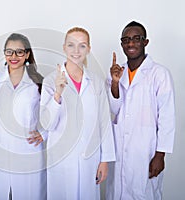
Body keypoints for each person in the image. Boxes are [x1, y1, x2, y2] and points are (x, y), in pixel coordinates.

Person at [40, 27, 116, 200]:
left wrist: (105, 160)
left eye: (82, 46)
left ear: (88, 49)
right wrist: (57, 94)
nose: (76, 51)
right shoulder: (51, 81)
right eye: (71, 45)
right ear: (64, 47)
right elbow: (47, 124)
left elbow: (104, 122)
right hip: (61, 160)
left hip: (90, 159)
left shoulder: (96, 82)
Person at [105, 21, 175, 200]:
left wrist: (160, 155)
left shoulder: (159, 74)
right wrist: (114, 82)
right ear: (122, 44)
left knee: (144, 193)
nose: (131, 43)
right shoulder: (116, 73)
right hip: (119, 149)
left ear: (145, 42)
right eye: (126, 40)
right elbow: (113, 111)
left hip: (146, 150)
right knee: (117, 192)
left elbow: (167, 118)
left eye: (136, 39)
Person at [0, 33, 47, 200]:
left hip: (27, 151)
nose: (13, 57)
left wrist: (43, 133)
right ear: (4, 53)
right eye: (9, 52)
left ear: (27, 54)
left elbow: (52, 114)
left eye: (19, 52)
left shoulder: (38, 83)